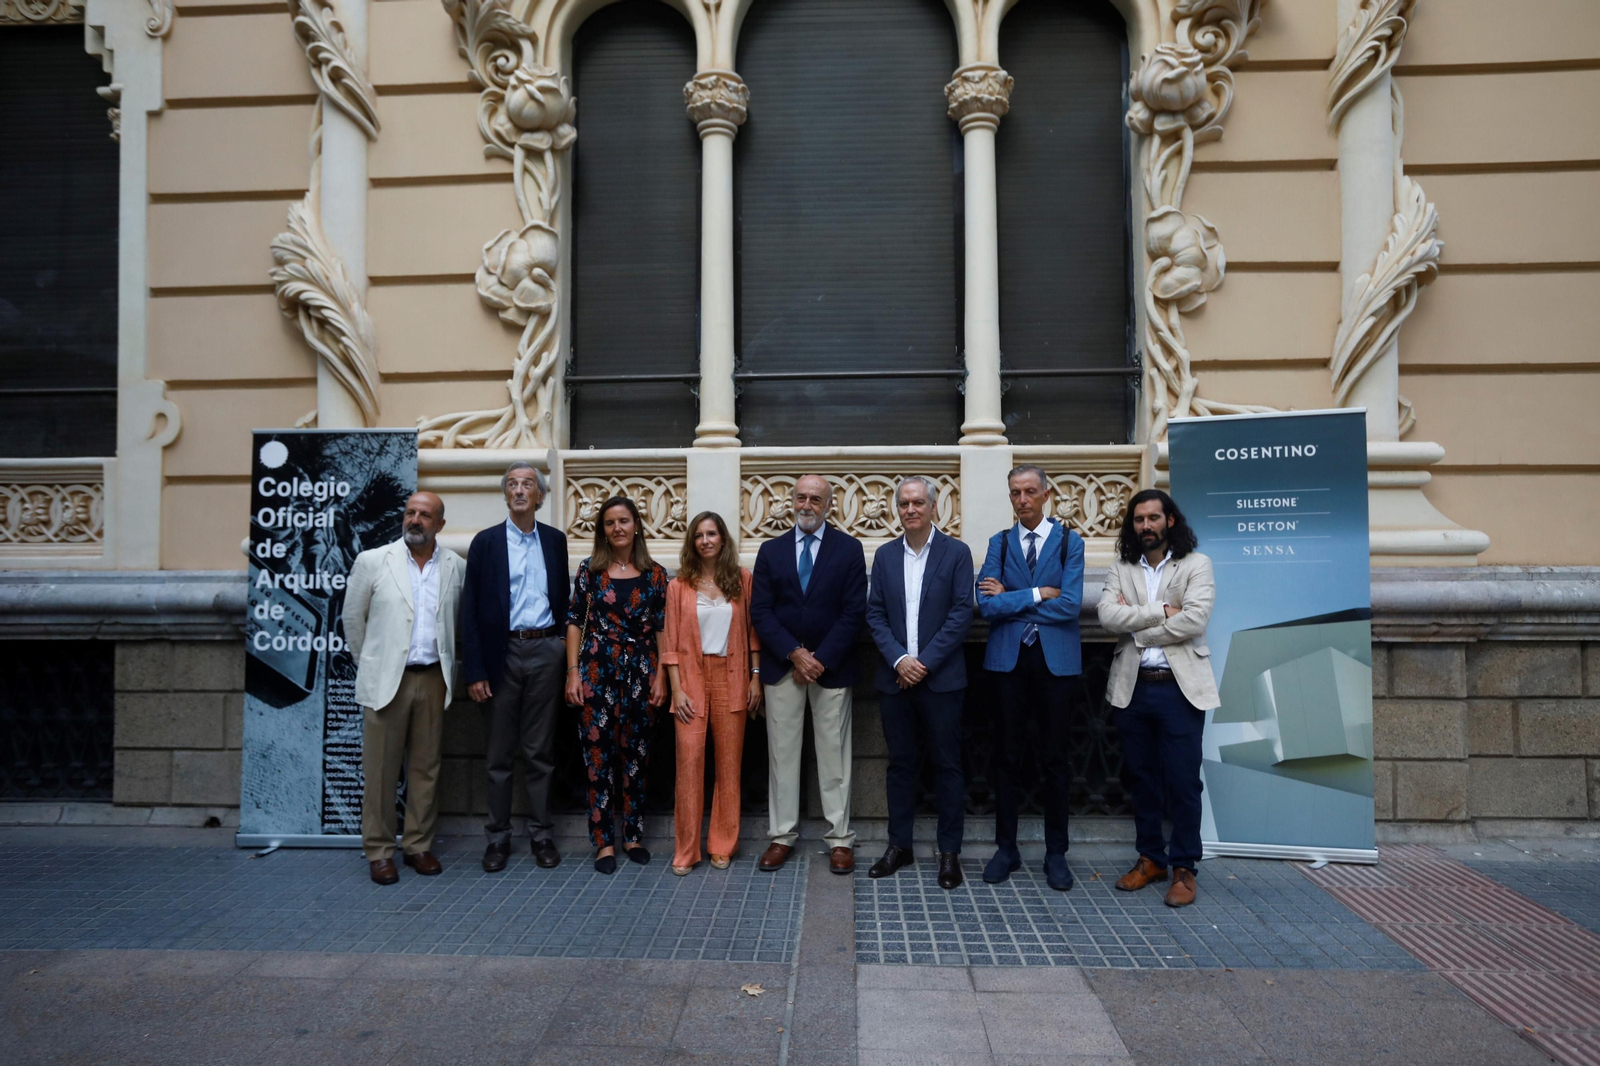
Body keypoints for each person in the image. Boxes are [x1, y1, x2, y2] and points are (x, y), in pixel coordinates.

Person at [1098, 488, 1218, 908]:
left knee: (1183, 782)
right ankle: (1151, 859)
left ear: (1170, 520)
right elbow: (1108, 616)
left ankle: (1184, 867)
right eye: (1138, 519)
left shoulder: (1196, 564)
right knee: (1142, 780)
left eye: (1153, 518)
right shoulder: (1121, 567)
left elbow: (1196, 618)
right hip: (1133, 688)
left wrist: (1140, 625)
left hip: (1179, 690)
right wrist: (1161, 610)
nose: (1145, 526)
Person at [342, 492, 465, 885]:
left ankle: (417, 845)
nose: (415, 520)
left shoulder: (455, 567)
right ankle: (378, 851)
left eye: (425, 515)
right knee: (380, 770)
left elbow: (459, 624)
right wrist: (371, 664)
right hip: (385, 681)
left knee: (426, 768)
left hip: (432, 678)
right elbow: (352, 618)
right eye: (411, 513)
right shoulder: (374, 560)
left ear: (440, 524)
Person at [750, 474, 867, 876]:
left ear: (829, 505)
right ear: (792, 501)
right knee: (782, 757)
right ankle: (781, 837)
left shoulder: (849, 550)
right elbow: (761, 611)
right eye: (801, 497)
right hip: (783, 668)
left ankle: (839, 839)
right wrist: (796, 654)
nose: (807, 505)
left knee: (834, 756)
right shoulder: (771, 551)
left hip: (831, 670)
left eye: (816, 499)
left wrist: (820, 659)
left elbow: (855, 612)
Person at [976, 464, 1084, 891]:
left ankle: (1056, 854)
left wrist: (1012, 599)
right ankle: (1007, 849)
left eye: (1029, 492)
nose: (1022, 500)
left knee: (1056, 760)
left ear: (1045, 494)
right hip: (1008, 663)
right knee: (1006, 758)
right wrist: (1039, 593)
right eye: (1015, 493)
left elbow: (1071, 606)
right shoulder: (999, 544)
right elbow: (986, 607)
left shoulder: (1069, 543)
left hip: (1056, 664)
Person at [863, 476, 974, 890]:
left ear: (934, 508)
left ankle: (949, 853)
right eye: (904, 504)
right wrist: (900, 659)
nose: (910, 510)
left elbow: (961, 613)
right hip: (896, 679)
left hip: (941, 680)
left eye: (918, 503)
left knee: (947, 767)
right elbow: (874, 614)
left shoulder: (956, 553)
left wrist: (923, 662)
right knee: (900, 766)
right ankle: (899, 846)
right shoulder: (886, 555)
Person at [460, 461, 569, 874]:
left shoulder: (555, 541)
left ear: (540, 496)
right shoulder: (486, 543)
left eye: (528, 485)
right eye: (512, 484)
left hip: (545, 651)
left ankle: (542, 834)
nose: (520, 490)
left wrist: (559, 646)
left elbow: (562, 600)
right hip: (501, 654)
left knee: (541, 752)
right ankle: (498, 838)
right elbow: (469, 611)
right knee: (499, 753)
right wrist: (475, 671)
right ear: (505, 495)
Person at [565, 496, 670, 874]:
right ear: (603, 531)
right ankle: (604, 842)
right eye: (610, 523)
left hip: (642, 671)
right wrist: (572, 672)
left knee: (637, 755)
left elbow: (662, 628)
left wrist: (662, 675)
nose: (618, 528)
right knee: (598, 757)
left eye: (624, 521)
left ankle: (633, 835)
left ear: (636, 526)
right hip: (597, 671)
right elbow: (575, 621)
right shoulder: (589, 571)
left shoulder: (656, 574)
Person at [662, 511, 763, 876]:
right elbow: (670, 644)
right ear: (692, 542)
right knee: (689, 765)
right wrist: (677, 690)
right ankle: (686, 850)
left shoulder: (741, 580)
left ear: (723, 539)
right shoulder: (679, 586)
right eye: (699, 535)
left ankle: (723, 843)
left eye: (712, 534)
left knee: (728, 767)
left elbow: (753, 634)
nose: (705, 540)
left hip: (732, 676)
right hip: (690, 679)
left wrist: (755, 679)